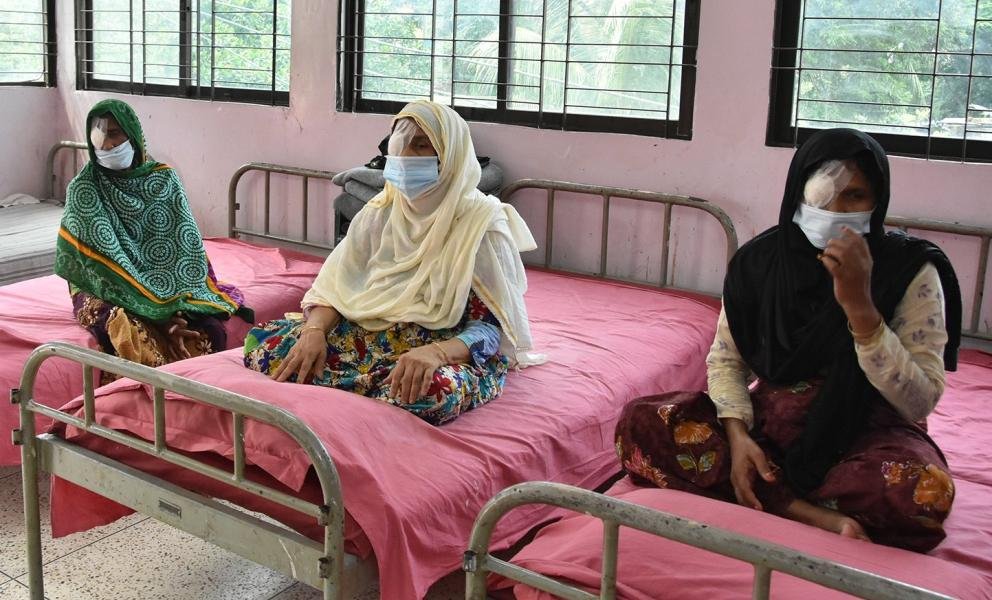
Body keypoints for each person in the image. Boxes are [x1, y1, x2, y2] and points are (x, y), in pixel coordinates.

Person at [615, 128, 962, 552]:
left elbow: (919, 402)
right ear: (797, 193)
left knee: (921, 492)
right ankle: (802, 509)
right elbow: (727, 362)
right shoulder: (759, 264)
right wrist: (738, 438)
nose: (836, 211)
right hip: (770, 426)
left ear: (878, 201)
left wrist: (861, 310)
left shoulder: (908, 271)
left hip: (869, 430)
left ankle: (761, 492)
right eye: (822, 196)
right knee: (641, 421)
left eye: (855, 196)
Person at [243, 100, 542, 425]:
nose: (405, 156)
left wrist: (436, 354)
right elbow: (335, 289)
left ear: (450, 155)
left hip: (435, 344)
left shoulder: (480, 224)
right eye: (399, 144)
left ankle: (358, 390)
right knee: (267, 345)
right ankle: (363, 387)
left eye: (421, 145)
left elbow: (490, 329)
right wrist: (313, 332)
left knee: (430, 391)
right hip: (364, 334)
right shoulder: (379, 212)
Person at [55, 99, 252, 370]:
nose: (107, 145)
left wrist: (171, 310)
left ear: (132, 134)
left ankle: (191, 386)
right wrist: (157, 312)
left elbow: (184, 248)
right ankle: (141, 391)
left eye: (115, 134)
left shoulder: (164, 180)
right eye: (98, 136)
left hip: (166, 282)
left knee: (208, 330)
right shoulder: (85, 188)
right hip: (104, 283)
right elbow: (102, 264)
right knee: (122, 325)